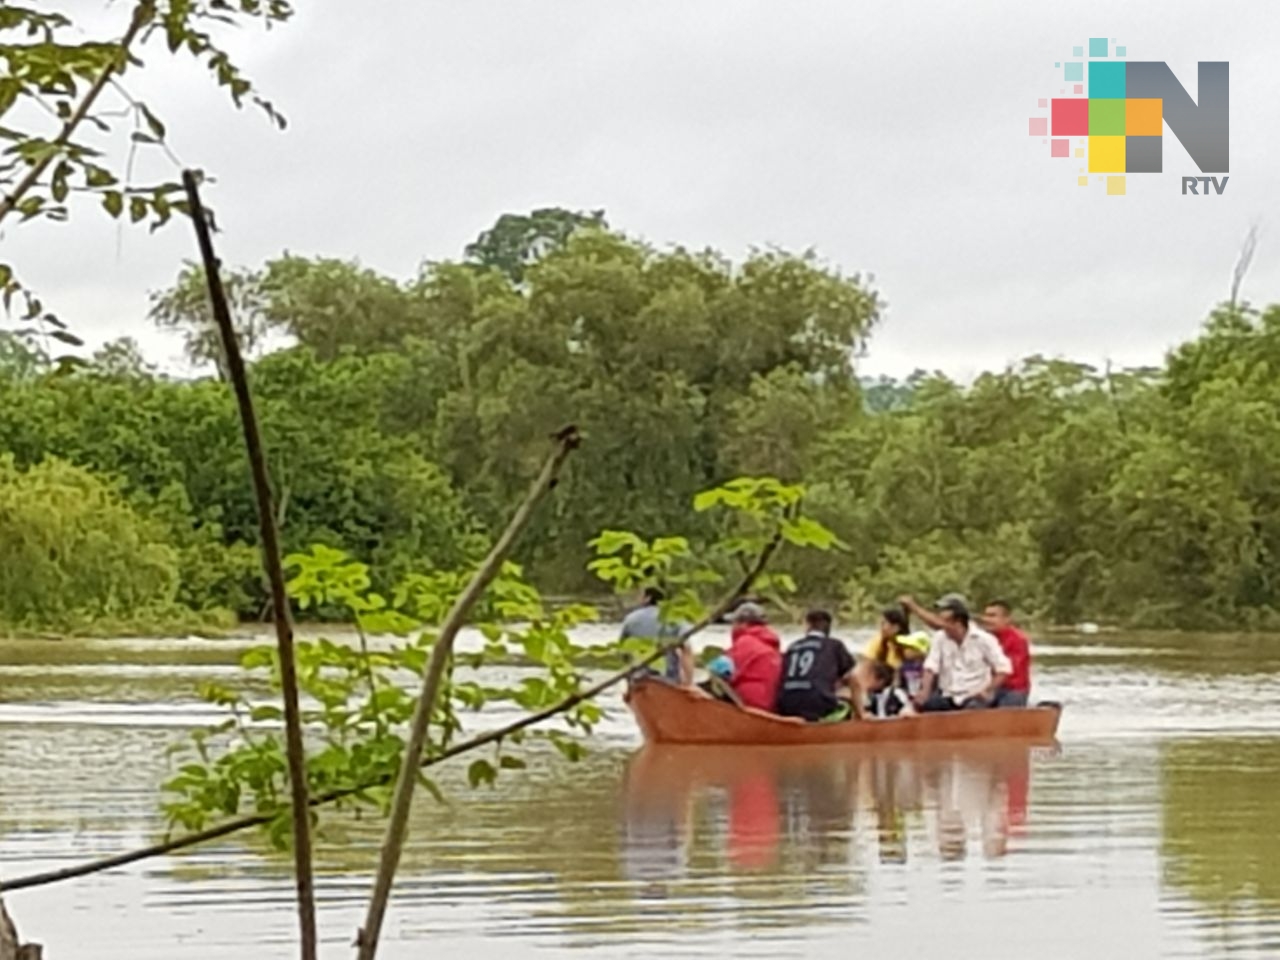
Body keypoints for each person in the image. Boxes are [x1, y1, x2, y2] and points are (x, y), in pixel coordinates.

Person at [900, 595, 1011, 711]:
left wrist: (987, 690)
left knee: (972, 710)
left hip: (974, 696)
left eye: (946, 621)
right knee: (925, 706)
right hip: (948, 696)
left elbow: (1003, 669)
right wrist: (924, 691)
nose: (941, 624)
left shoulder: (984, 639)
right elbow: (931, 667)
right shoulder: (939, 638)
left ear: (958, 622)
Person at [777, 609, 866, 722]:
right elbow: (851, 677)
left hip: (786, 704)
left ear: (807, 625)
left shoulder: (792, 646)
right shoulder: (834, 645)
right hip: (818, 704)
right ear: (829, 627)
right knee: (845, 696)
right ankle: (859, 719)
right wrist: (860, 711)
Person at [862, 605, 930, 715]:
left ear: (896, 627)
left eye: (884, 624)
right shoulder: (878, 642)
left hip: (904, 686)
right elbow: (868, 665)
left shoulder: (909, 644)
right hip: (882, 684)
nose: (881, 627)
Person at [619, 586, 692, 685]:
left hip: (640, 679)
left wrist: (629, 682)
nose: (639, 600)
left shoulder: (630, 619)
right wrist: (688, 682)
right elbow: (686, 650)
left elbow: (624, 653)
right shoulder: (675, 618)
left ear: (648, 598)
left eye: (641, 596)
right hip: (668, 679)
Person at [724, 601, 783, 711]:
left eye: (734, 623)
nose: (732, 628)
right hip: (770, 703)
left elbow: (721, 668)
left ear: (744, 624)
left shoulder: (745, 642)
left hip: (747, 702)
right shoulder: (772, 646)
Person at [980, 600, 1033, 707]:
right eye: (985, 615)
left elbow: (1010, 670)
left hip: (1013, 689)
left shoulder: (1018, 640)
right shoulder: (982, 639)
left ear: (1007, 619)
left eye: (992, 616)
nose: (986, 620)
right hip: (989, 687)